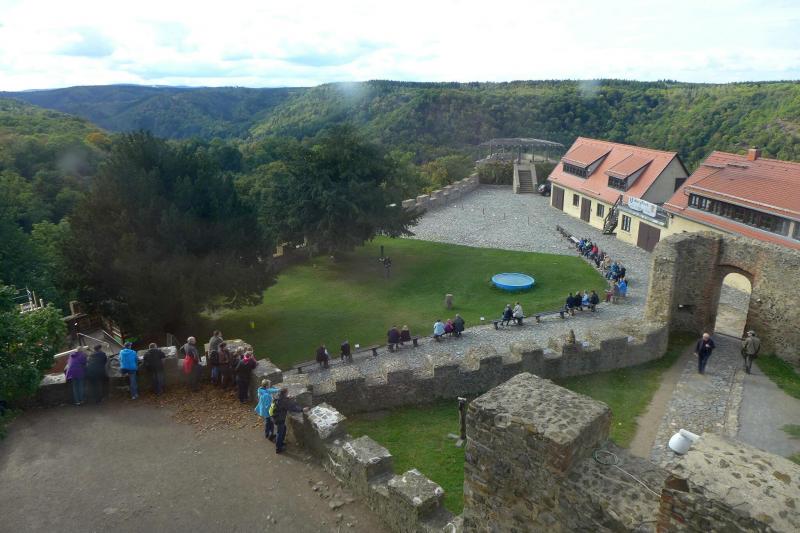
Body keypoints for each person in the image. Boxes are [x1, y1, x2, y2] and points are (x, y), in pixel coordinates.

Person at [272, 387, 306, 454]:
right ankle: (278, 448)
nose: (288, 393)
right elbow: (292, 408)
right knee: (280, 432)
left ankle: (281, 443)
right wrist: (302, 409)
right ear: (285, 393)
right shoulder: (284, 401)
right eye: (287, 392)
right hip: (280, 418)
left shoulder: (278, 397)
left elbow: (283, 401)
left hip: (275, 416)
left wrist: (287, 398)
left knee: (284, 429)